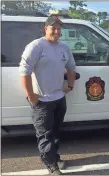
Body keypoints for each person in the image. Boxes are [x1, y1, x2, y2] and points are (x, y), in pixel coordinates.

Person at [19, 15, 76, 175]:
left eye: (59, 29)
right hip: (42, 101)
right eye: (53, 28)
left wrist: (70, 86)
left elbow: (71, 67)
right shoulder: (36, 46)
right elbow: (24, 72)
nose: (57, 31)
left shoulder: (64, 47)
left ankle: (53, 155)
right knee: (45, 134)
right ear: (46, 29)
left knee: (55, 132)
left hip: (59, 99)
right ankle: (51, 164)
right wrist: (31, 95)